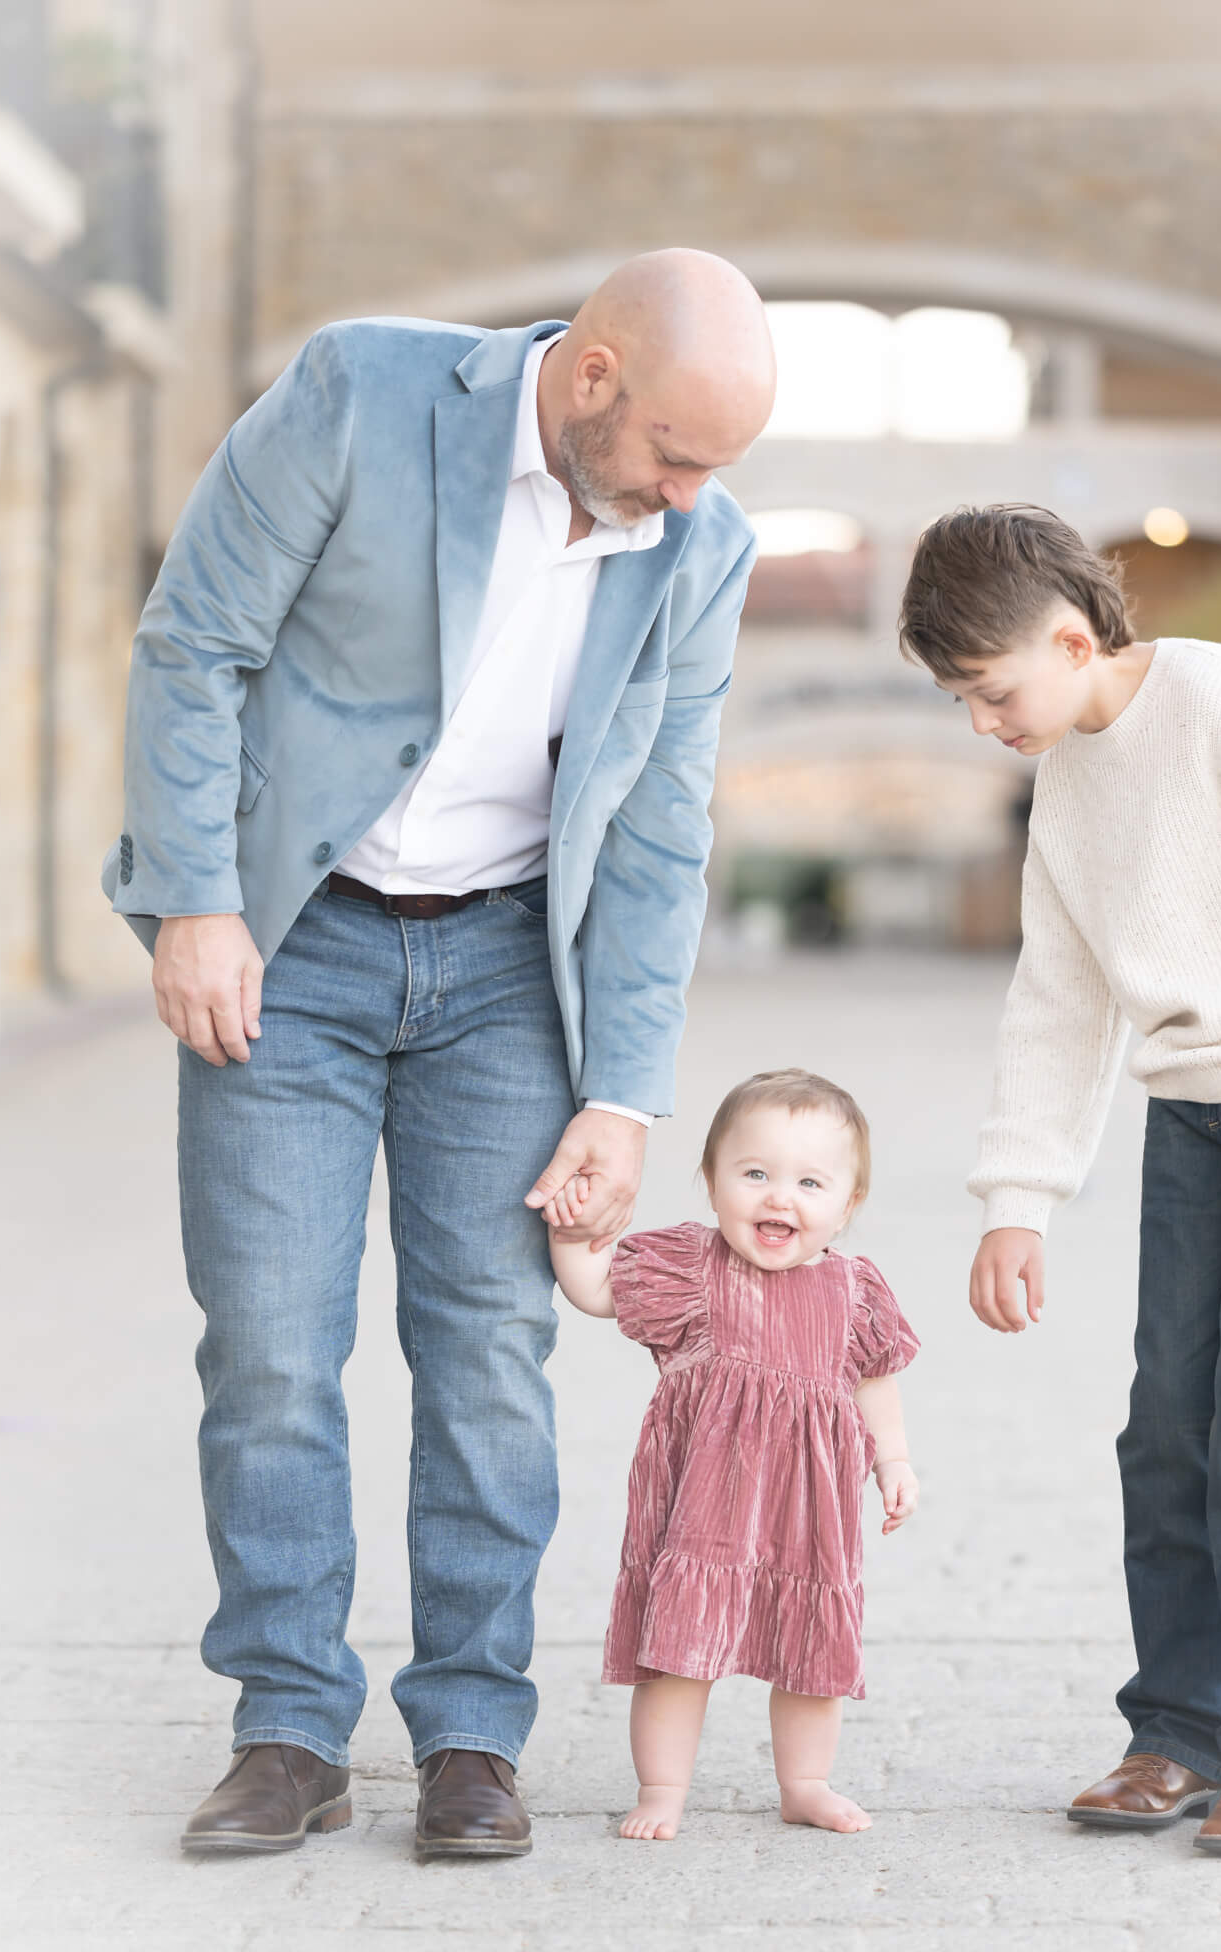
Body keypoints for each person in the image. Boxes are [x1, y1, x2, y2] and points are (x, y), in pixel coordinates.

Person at [103, 250, 776, 1858]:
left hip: (504, 972)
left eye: (715, 474)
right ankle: (286, 1726)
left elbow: (663, 828)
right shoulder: (361, 394)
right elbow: (195, 646)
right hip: (294, 942)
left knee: (487, 1355)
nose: (688, 499)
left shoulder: (702, 545)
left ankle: (473, 1730)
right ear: (592, 375)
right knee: (269, 1346)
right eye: (676, 456)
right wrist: (197, 901)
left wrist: (621, 1091)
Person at [898, 505, 1221, 1859]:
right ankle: (1177, 1730)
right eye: (961, 701)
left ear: (1071, 638)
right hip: (1193, 1122)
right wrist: (1016, 1198)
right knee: (1165, 1429)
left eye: (991, 691)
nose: (981, 723)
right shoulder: (1071, 778)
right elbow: (1061, 992)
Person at [545, 1069, 920, 1840]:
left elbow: (876, 1381)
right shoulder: (689, 1268)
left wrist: (894, 1461)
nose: (780, 1197)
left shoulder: (854, 1292)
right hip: (704, 1510)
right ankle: (662, 1789)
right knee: (682, 1651)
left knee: (812, 1654)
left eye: (811, 1182)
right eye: (754, 1174)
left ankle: (805, 1782)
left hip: (807, 1513)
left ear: (847, 1207)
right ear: (711, 1183)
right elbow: (593, 1290)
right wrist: (569, 1232)